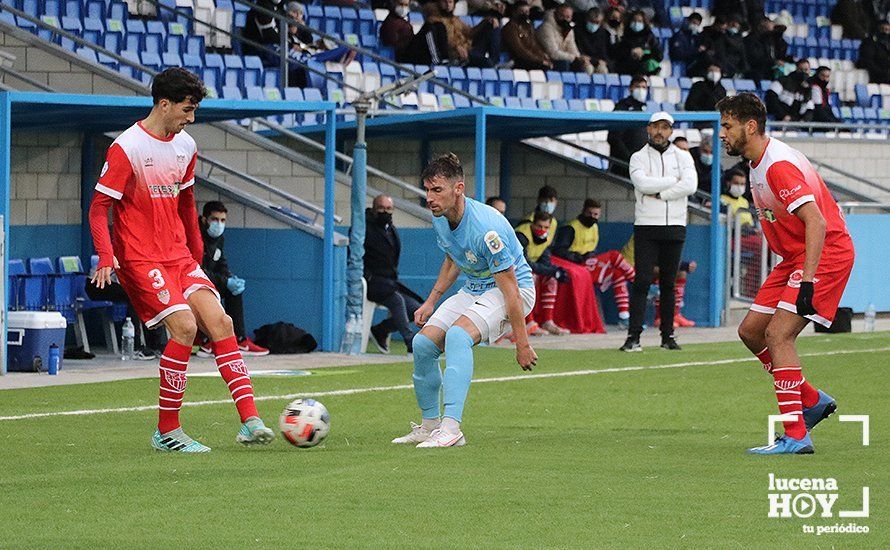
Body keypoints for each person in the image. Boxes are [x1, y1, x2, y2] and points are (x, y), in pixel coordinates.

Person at [88, 68, 274, 453]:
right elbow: (98, 208)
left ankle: (250, 420)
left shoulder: (185, 145)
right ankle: (167, 431)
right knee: (185, 328)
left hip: (179, 256)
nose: (191, 119)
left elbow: (187, 202)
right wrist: (107, 255)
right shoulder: (127, 147)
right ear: (164, 103)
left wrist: (196, 253)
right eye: (187, 110)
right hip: (141, 257)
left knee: (221, 321)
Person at [717, 93, 855, 455]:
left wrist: (807, 280)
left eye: (727, 126)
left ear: (750, 126)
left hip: (824, 254)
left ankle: (796, 435)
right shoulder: (755, 163)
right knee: (750, 332)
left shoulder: (777, 165)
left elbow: (817, 222)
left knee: (778, 335)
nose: (721, 134)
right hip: (794, 257)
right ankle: (811, 400)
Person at [392, 153, 537, 448]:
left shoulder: (487, 230)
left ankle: (451, 428)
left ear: (458, 189)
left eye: (437, 190)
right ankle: (430, 425)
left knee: (458, 337)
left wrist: (521, 344)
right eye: (428, 190)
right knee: (422, 344)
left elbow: (510, 291)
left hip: (515, 291)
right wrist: (431, 301)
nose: (430, 198)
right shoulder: (441, 219)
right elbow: (452, 258)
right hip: (476, 287)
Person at [620, 112, 697, 352]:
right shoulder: (638, 157)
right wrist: (673, 181)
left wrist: (661, 192)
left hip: (674, 226)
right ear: (648, 129)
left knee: (668, 283)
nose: (660, 131)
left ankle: (668, 336)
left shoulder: (683, 157)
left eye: (665, 127)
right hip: (646, 225)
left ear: (671, 131)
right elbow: (642, 184)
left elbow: (691, 185)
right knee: (642, 281)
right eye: (656, 127)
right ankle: (633, 337)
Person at [198, 201, 270, 356]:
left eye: (223, 220)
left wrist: (230, 278)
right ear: (204, 220)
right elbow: (198, 269)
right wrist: (225, 281)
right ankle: (206, 341)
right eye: (214, 219)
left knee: (234, 291)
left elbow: (221, 263)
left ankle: (240, 339)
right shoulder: (196, 237)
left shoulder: (219, 238)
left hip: (211, 281)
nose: (219, 224)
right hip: (195, 284)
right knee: (206, 292)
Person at [552, 199, 636, 327]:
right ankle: (638, 281)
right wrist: (579, 257)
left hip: (589, 266)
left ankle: (624, 317)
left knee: (618, 272)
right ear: (583, 211)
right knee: (614, 255)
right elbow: (558, 251)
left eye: (596, 214)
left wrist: (590, 256)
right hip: (574, 267)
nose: (592, 217)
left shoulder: (594, 227)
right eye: (589, 213)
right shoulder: (571, 227)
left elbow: (592, 249)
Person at [363, 195, 423, 354]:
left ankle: (380, 330)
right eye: (381, 208)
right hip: (373, 282)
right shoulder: (363, 227)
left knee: (416, 309)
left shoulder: (391, 229)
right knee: (397, 301)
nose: (385, 212)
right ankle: (411, 342)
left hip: (390, 282)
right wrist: (367, 276)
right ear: (374, 209)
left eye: (389, 208)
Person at [515, 211, 571, 335]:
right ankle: (528, 322)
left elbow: (545, 260)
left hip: (531, 268)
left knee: (551, 279)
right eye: (539, 226)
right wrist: (552, 271)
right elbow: (524, 263)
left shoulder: (545, 237)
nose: (542, 230)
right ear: (533, 224)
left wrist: (554, 271)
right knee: (530, 277)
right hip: (514, 270)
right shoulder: (522, 235)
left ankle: (548, 321)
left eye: (546, 227)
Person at [428, 0, 502, 67]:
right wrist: (456, 47)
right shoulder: (435, 21)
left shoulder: (455, 19)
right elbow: (442, 42)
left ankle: (495, 62)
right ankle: (492, 64)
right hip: (456, 55)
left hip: (469, 50)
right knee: (487, 63)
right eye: (445, 2)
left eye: (450, 2)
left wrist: (485, 21)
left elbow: (470, 32)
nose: (448, 5)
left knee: (492, 24)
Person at [380, 0, 449, 64]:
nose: (404, 8)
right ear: (394, 4)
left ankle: (445, 59)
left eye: (406, 5)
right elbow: (393, 44)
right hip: (404, 55)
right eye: (401, 4)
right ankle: (436, 60)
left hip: (412, 50)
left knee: (439, 25)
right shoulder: (390, 21)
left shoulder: (404, 20)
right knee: (428, 28)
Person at [608, 75, 649, 178]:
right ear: (630, 88)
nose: (641, 90)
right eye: (638, 87)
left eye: (644, 87)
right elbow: (614, 137)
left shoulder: (644, 109)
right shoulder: (622, 107)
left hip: (640, 166)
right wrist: (628, 158)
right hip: (623, 166)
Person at [537, 4, 594, 73]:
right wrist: (574, 58)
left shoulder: (569, 30)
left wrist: (580, 59)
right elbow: (553, 53)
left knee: (586, 66)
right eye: (562, 16)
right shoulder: (546, 28)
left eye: (568, 17)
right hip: (547, 60)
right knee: (564, 63)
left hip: (565, 58)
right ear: (556, 15)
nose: (565, 20)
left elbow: (572, 49)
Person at [502, 0, 553, 70]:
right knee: (542, 66)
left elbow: (534, 45)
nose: (525, 14)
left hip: (530, 58)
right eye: (522, 12)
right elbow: (519, 50)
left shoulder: (529, 26)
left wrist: (544, 58)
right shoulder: (510, 28)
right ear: (514, 13)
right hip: (517, 59)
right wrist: (539, 60)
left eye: (527, 12)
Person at [614, 10, 662, 75]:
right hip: (627, 68)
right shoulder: (625, 36)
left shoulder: (650, 37)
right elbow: (618, 54)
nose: (636, 23)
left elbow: (659, 55)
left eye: (639, 21)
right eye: (634, 21)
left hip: (645, 69)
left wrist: (644, 53)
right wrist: (631, 52)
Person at [574, 7, 612, 73]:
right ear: (587, 19)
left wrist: (603, 61)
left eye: (597, 22)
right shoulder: (577, 30)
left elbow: (603, 51)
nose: (594, 25)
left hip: (596, 60)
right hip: (581, 60)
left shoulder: (603, 33)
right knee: (589, 68)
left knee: (603, 69)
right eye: (592, 21)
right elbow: (577, 48)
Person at [689, 131, 714, 197]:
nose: (708, 155)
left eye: (711, 152)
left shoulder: (717, 167)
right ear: (700, 150)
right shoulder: (690, 161)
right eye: (705, 151)